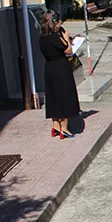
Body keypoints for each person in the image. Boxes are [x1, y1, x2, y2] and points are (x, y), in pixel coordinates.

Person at [39, 10, 80, 139]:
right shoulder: (54, 37)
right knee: (64, 95)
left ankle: (55, 126)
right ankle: (64, 128)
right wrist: (67, 38)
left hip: (49, 68)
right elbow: (68, 50)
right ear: (55, 22)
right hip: (60, 68)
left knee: (53, 96)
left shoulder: (42, 37)